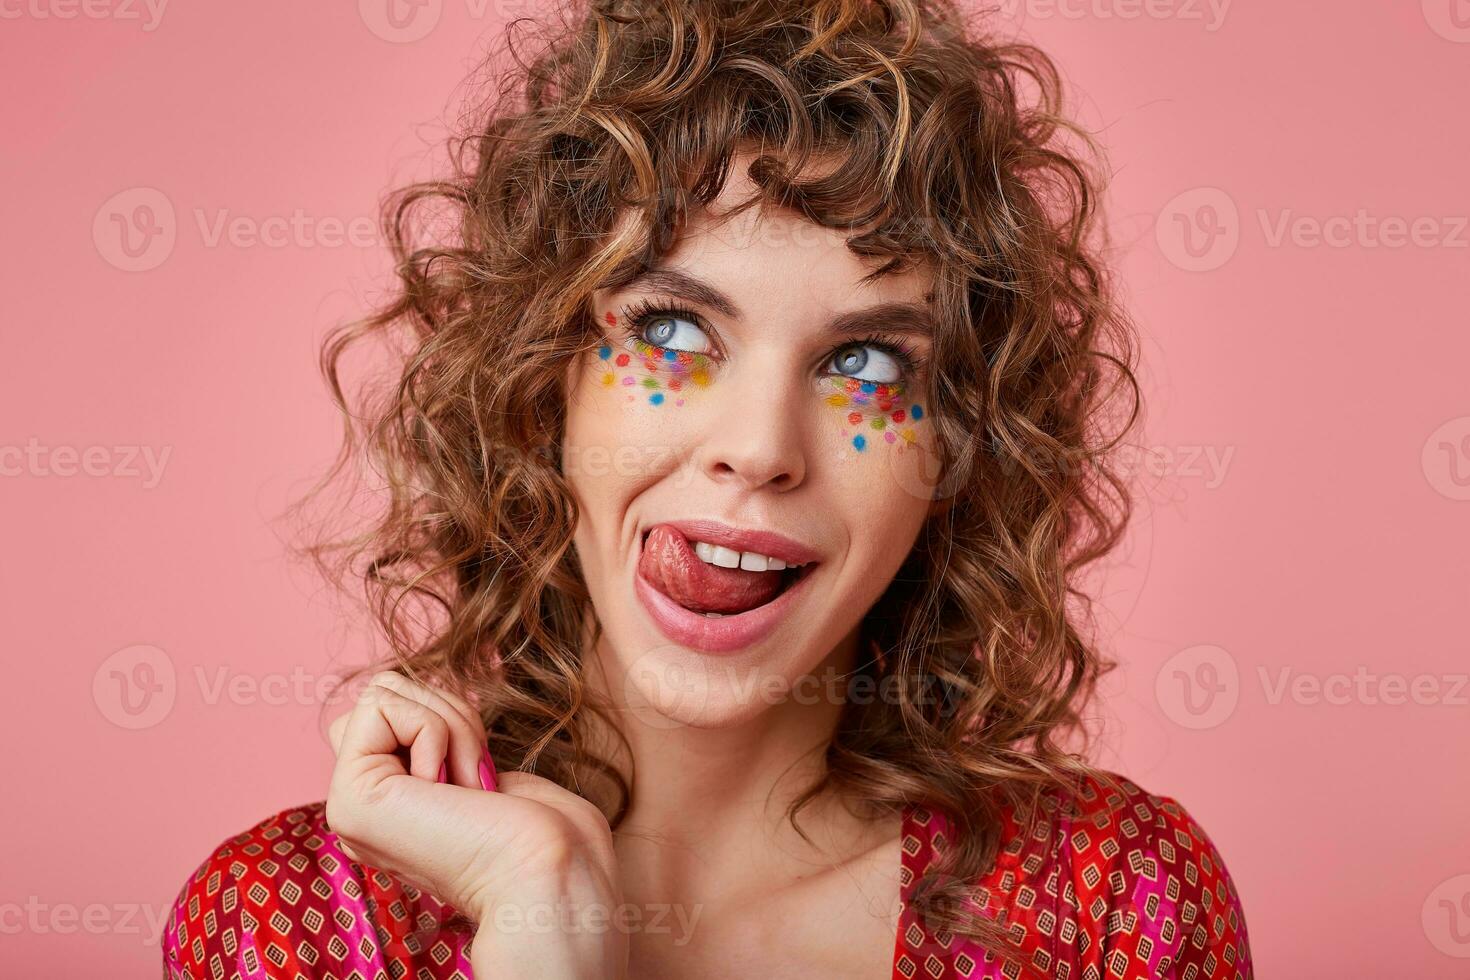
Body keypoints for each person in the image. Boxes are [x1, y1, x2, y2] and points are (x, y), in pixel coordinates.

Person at [161, 1, 1252, 977]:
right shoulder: (290, 929)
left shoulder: (1112, 906)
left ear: (957, 449)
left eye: (865, 365)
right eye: (674, 330)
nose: (759, 448)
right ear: (545, 383)